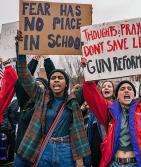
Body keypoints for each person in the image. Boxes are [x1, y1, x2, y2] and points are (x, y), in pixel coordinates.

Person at [15, 31, 90, 167]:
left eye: (60, 78)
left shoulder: (73, 99)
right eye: (53, 78)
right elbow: (23, 74)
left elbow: (89, 85)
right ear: (49, 84)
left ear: (66, 83)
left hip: (66, 151)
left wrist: (88, 67)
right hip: (45, 149)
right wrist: (20, 49)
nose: (56, 81)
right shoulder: (41, 97)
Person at [82, 54, 141, 167]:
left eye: (129, 89)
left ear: (134, 94)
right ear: (117, 95)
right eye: (122, 89)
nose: (126, 91)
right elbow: (92, 97)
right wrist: (88, 73)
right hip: (113, 163)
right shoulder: (109, 111)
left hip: (135, 163)